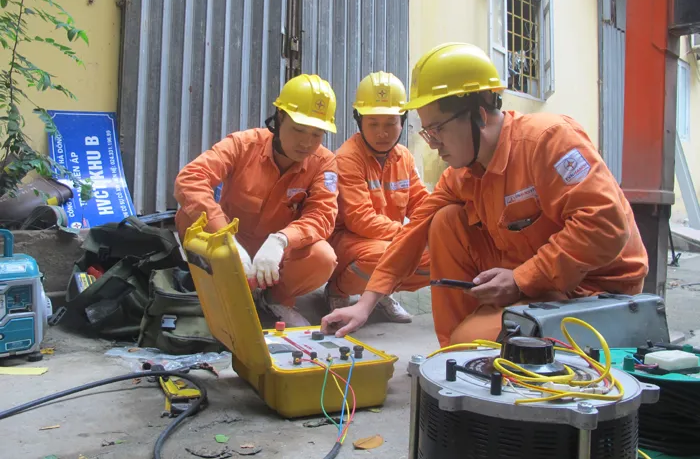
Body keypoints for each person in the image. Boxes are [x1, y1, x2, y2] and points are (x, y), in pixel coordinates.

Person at [321, 42, 649, 347]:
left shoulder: (549, 141)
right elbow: (414, 228)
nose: (433, 144)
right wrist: (365, 305)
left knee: (471, 340)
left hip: (593, 290)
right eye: (427, 132)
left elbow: (605, 225)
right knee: (444, 221)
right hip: (537, 281)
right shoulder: (463, 173)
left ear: (478, 115)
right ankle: (455, 353)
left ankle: (465, 350)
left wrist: (521, 279)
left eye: (437, 129)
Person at [174, 74, 340, 327]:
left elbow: (322, 215)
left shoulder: (324, 163)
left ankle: (275, 300)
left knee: (323, 257)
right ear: (280, 117)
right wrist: (226, 239)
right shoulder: (242, 144)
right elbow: (190, 178)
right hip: (228, 246)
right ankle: (216, 287)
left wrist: (281, 240)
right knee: (188, 215)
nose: (306, 142)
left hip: (277, 257)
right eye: (298, 129)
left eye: (317, 134)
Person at [325, 71, 431, 323]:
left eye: (390, 123)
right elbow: (360, 219)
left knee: (440, 254)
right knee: (387, 254)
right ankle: (338, 290)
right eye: (373, 123)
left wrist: (436, 227)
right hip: (350, 242)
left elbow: (421, 202)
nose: (382, 132)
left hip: (389, 238)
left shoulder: (404, 156)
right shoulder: (348, 157)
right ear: (359, 121)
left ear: (402, 121)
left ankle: (381, 292)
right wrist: (411, 235)